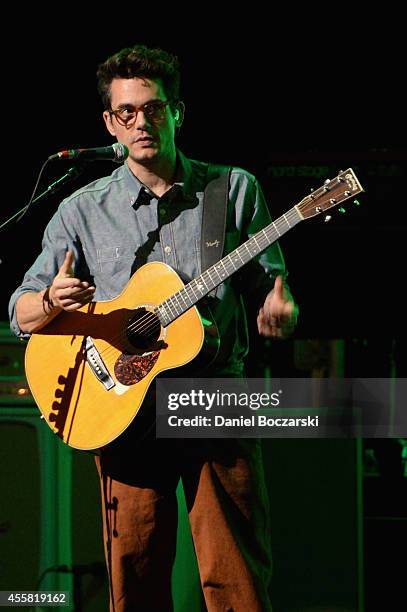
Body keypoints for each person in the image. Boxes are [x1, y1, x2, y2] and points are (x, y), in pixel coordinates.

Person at [9, 44, 298, 611]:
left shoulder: (231, 190)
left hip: (216, 395)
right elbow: (20, 312)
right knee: (134, 572)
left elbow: (272, 292)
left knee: (235, 575)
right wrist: (49, 299)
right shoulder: (80, 209)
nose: (141, 123)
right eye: (127, 112)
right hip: (120, 404)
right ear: (109, 123)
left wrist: (278, 312)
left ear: (178, 113)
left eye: (155, 109)